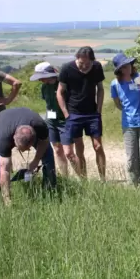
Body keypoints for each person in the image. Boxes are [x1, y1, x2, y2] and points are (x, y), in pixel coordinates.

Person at [0, 107, 57, 206]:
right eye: (20, 148)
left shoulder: (40, 126)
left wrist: (36, 161)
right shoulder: (4, 135)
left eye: (27, 149)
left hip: (27, 120)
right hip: (1, 121)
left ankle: (50, 192)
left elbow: (44, 142)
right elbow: (5, 169)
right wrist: (7, 200)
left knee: (48, 157)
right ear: (13, 138)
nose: (24, 151)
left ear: (34, 138)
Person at [56, 46, 106, 181]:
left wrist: (99, 110)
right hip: (73, 113)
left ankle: (103, 179)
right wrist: (66, 113)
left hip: (92, 113)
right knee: (79, 147)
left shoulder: (97, 67)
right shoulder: (67, 68)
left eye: (87, 63)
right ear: (77, 58)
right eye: (81, 63)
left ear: (92, 60)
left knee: (98, 146)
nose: (84, 66)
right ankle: (84, 179)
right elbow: (59, 92)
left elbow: (100, 89)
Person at [29, 61, 85, 177]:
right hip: (51, 122)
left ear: (48, 74)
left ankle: (82, 178)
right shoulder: (44, 87)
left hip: (65, 122)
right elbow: (48, 104)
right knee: (57, 150)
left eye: (42, 78)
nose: (40, 80)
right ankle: (65, 178)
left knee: (69, 153)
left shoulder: (64, 84)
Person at [111, 53, 140, 186]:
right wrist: (129, 112)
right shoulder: (115, 84)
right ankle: (133, 184)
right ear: (119, 70)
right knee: (131, 157)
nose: (127, 68)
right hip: (128, 124)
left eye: (128, 64)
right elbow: (118, 104)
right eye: (124, 66)